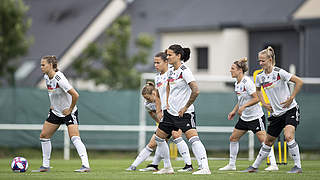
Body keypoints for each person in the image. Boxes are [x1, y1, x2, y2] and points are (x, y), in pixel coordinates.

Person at [126, 52, 194, 172]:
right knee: (159, 139)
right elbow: (158, 96)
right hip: (165, 114)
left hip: (176, 111)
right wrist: (158, 112)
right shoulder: (157, 77)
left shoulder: (173, 73)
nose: (156, 65)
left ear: (166, 62)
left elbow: (183, 89)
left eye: (158, 62)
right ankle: (158, 165)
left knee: (174, 136)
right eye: (154, 63)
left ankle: (187, 165)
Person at [242, 46, 303, 173]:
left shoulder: (280, 73)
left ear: (270, 59)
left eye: (262, 61)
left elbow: (299, 82)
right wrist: (264, 103)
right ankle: (254, 167)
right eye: (259, 61)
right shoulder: (259, 77)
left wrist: (291, 97)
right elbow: (258, 90)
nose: (260, 63)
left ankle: (297, 166)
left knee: (288, 136)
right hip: (276, 114)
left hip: (290, 110)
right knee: (268, 141)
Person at [153, 45, 211, 175]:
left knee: (193, 139)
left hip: (184, 114)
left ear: (178, 56)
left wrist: (185, 107)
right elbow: (168, 86)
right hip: (170, 113)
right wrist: (167, 103)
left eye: (169, 55)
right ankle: (168, 167)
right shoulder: (172, 71)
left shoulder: (185, 71)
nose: (167, 57)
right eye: (166, 55)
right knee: (159, 138)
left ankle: (205, 167)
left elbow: (196, 90)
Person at [219, 57, 278, 171]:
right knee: (233, 138)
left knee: (265, 141)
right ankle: (232, 165)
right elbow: (241, 100)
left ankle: (273, 165)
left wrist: (244, 107)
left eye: (232, 68)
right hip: (244, 118)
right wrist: (234, 110)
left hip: (255, 117)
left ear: (240, 70)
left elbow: (257, 98)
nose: (230, 71)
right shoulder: (237, 83)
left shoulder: (248, 82)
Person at [32, 55, 90, 172]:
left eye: (43, 65)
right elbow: (52, 93)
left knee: (74, 137)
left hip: (68, 112)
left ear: (51, 65)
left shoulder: (60, 78)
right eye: (41, 65)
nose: (41, 67)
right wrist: (53, 104)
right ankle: (45, 166)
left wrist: (70, 109)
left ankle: (85, 166)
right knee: (44, 136)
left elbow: (75, 95)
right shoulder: (46, 77)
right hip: (56, 112)